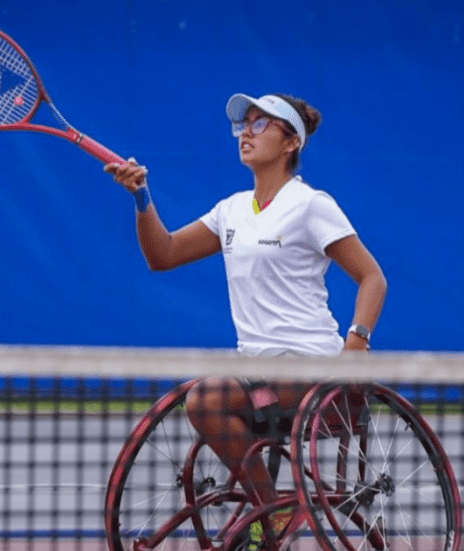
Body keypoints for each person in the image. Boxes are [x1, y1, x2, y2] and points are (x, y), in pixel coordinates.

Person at [104, 93, 387, 547]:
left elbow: (372, 278)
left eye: (260, 125)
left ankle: (267, 512)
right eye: (243, 125)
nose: (246, 133)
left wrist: (355, 346)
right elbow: (164, 255)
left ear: (291, 141)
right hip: (257, 370)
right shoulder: (231, 209)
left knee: (208, 397)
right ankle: (270, 507)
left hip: (313, 368)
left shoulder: (311, 204)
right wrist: (141, 197)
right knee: (204, 400)